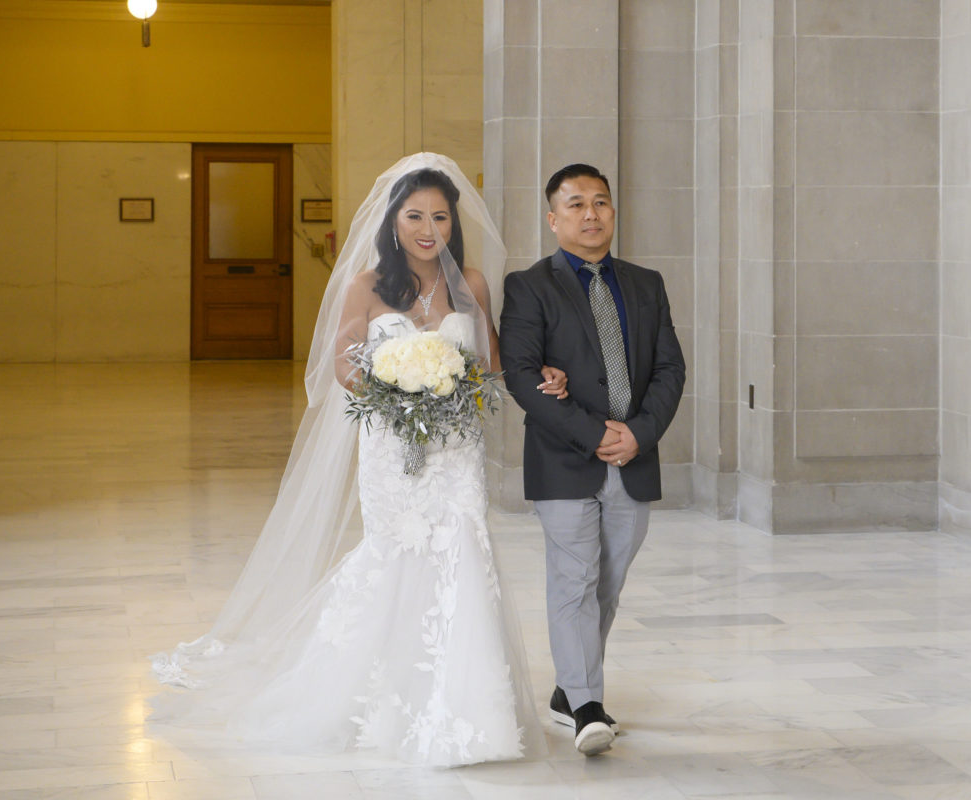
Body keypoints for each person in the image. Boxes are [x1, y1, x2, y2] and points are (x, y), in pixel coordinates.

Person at [150, 153, 558, 767]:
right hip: (393, 446)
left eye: (441, 217)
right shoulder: (365, 285)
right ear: (393, 220)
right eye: (415, 215)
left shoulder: (470, 282)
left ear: (454, 223)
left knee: (463, 551)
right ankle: (374, 696)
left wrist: (530, 373)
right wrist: (394, 392)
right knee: (395, 554)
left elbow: (491, 361)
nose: (428, 229)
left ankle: (468, 712)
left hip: (455, 448)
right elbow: (341, 363)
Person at [498, 163, 686, 756]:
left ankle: (566, 689)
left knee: (607, 583)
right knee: (573, 579)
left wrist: (638, 434)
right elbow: (523, 376)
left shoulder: (646, 283)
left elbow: (669, 369)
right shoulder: (529, 286)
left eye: (600, 202)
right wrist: (593, 434)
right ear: (554, 219)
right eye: (575, 204)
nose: (590, 213)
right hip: (564, 459)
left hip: (634, 459)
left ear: (613, 212)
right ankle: (585, 706)